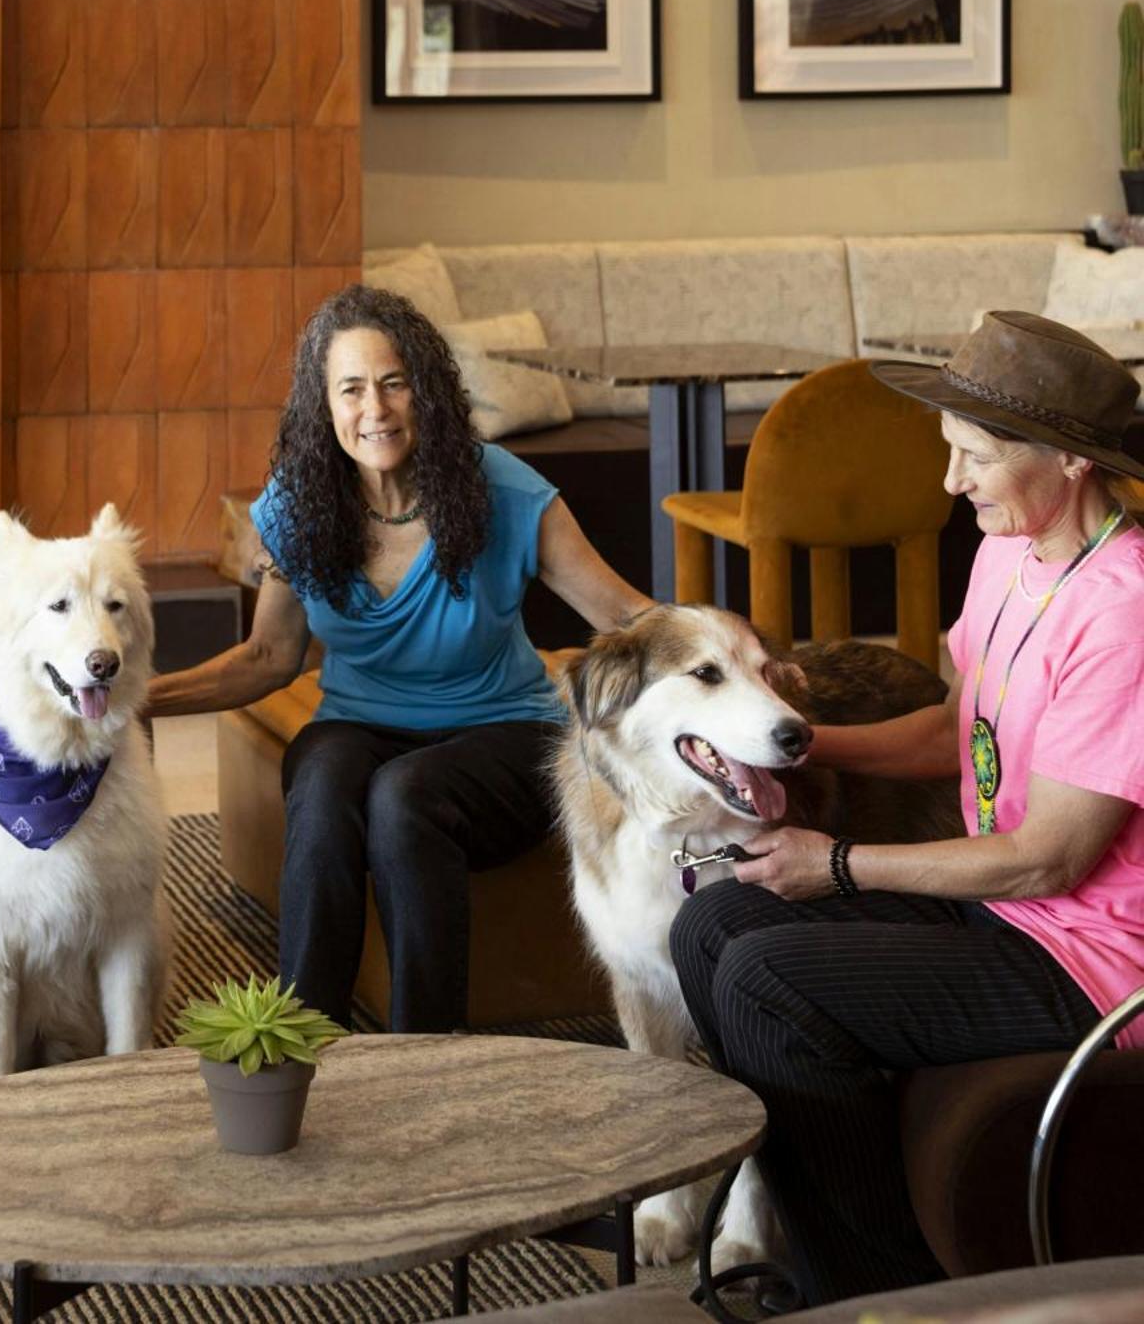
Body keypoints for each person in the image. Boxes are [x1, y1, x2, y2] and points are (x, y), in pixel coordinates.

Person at [672, 311, 1144, 1306]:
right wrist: (785, 742)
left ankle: (886, 1292)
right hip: (1007, 902)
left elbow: (1048, 860)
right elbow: (948, 732)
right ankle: (819, 1255)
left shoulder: (1124, 607)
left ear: (1064, 459)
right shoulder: (1008, 551)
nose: (947, 483)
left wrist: (834, 862)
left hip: (1095, 957)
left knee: (767, 980)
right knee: (711, 924)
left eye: (972, 457)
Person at [146, 284, 651, 1032]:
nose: (374, 409)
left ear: (428, 393)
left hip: (504, 731)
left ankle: (423, 1054)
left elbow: (623, 614)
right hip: (359, 721)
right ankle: (296, 1038)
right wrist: (137, 698)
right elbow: (268, 657)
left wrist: (740, 661)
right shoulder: (300, 504)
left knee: (404, 796)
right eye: (351, 388)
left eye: (394, 383)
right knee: (322, 782)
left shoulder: (506, 491)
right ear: (323, 404)